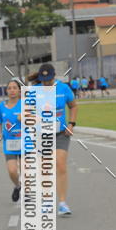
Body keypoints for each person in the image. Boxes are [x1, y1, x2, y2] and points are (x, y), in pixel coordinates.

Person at [30, 62, 77, 216]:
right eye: (44, 81)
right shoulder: (34, 90)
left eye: (49, 80)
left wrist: (71, 124)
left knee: (61, 165)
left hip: (61, 134)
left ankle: (62, 203)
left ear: (54, 76)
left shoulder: (63, 88)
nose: (46, 83)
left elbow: (73, 106)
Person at [0, 80, 23, 201]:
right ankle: (17, 186)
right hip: (10, 143)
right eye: (9, 88)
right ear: (6, 91)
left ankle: (28, 193)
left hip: (25, 142)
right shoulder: (1, 106)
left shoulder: (25, 104)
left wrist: (25, 117)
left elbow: (36, 119)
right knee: (12, 171)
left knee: (25, 169)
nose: (12, 90)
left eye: (14, 88)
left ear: (19, 90)